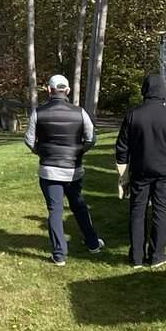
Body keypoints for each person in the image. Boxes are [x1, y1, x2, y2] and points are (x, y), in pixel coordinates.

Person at [25, 74, 105, 266]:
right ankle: (93, 243)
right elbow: (91, 138)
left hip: (49, 170)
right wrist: (79, 152)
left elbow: (28, 140)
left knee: (55, 210)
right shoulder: (80, 112)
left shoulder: (38, 112)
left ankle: (59, 255)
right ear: (67, 90)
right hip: (73, 170)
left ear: (49, 90)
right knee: (79, 206)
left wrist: (41, 152)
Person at [116, 74, 166, 268]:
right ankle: (157, 255)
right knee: (160, 212)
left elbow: (122, 149)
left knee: (137, 212)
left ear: (144, 91)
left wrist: (123, 180)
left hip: (140, 171)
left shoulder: (133, 114)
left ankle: (136, 257)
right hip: (164, 173)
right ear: (163, 93)